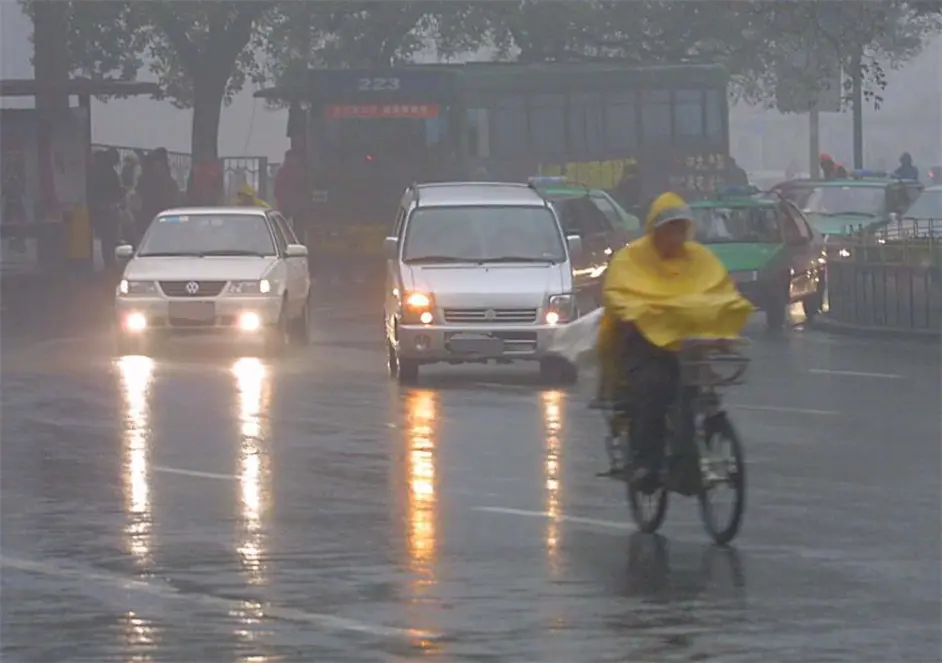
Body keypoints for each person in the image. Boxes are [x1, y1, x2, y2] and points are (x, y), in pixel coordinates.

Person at [596, 192, 752, 492]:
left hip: (689, 349)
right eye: (670, 228)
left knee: (693, 393)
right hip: (644, 348)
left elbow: (718, 290)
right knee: (653, 390)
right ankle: (646, 463)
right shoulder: (632, 259)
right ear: (655, 229)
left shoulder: (700, 258)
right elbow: (621, 295)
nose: (676, 235)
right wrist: (647, 314)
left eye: (681, 228)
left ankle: (686, 461)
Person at [88, 149, 124, 268]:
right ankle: (109, 264)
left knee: (105, 239)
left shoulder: (95, 172)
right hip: (108, 210)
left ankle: (108, 263)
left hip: (99, 209)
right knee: (109, 239)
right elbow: (115, 191)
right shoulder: (110, 173)